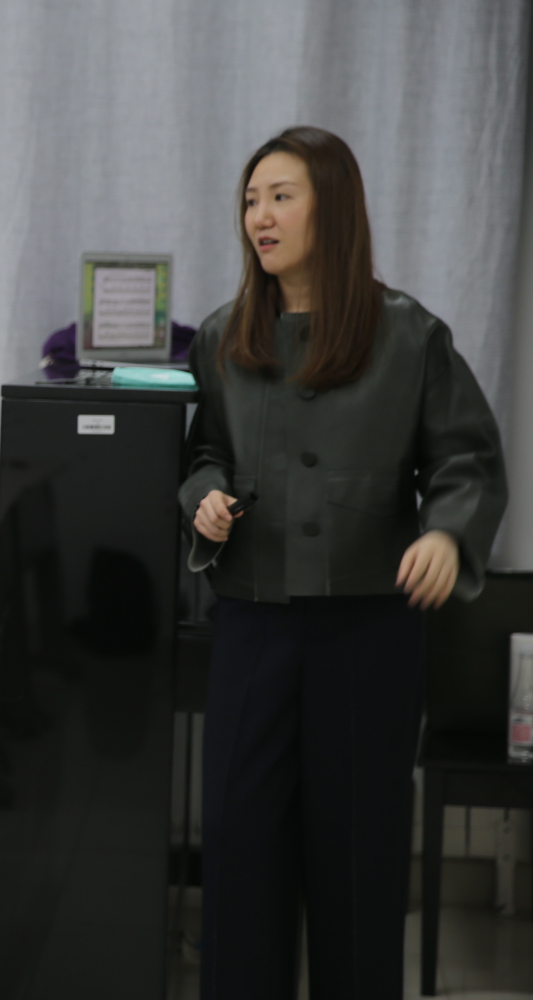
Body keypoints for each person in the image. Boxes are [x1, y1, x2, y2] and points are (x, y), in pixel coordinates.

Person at [182, 126, 506, 998]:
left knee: (358, 863)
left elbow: (466, 459)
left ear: (335, 207)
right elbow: (203, 452)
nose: (260, 216)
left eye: (281, 196)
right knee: (241, 855)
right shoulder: (221, 335)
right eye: (251, 200)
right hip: (252, 629)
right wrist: (205, 498)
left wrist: (446, 533)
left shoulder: (408, 335)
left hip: (369, 635)